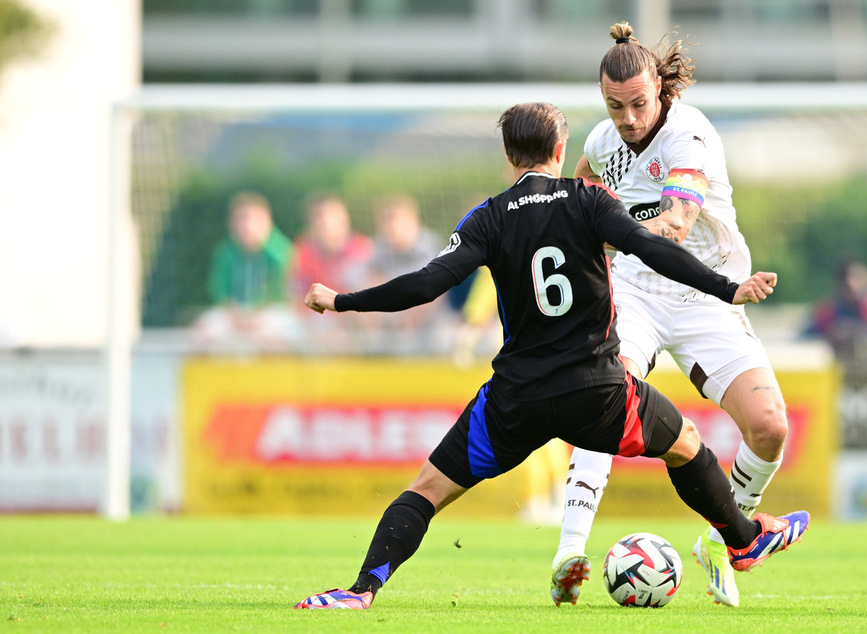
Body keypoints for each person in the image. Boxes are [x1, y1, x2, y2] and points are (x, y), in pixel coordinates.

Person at [293, 102, 808, 611]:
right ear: (561, 150)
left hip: (516, 399)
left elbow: (427, 284)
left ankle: (360, 591)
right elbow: (656, 251)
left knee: (427, 490)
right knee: (687, 445)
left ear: (507, 153)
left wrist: (342, 300)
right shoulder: (589, 200)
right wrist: (727, 287)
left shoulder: (488, 217)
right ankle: (742, 539)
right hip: (598, 394)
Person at [553, 22, 793, 608]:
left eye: (638, 103)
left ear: (660, 88)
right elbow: (578, 195)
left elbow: (677, 227)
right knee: (608, 398)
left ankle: (724, 536)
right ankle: (569, 551)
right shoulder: (601, 144)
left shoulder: (689, 136)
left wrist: (608, 236)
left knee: (770, 427)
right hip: (633, 291)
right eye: (615, 107)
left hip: (705, 293)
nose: (629, 118)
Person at [193, 191, 296, 346]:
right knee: (203, 332)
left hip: (271, 312)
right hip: (233, 312)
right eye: (240, 220)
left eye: (252, 219)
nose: (246, 226)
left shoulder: (282, 252)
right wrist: (235, 315)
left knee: (278, 337)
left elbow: (285, 291)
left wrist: (255, 317)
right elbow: (218, 289)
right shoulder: (225, 252)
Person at [362, 194, 451, 353]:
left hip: (430, 325)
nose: (391, 230)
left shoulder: (431, 248)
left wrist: (406, 327)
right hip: (388, 323)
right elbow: (368, 285)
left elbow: (432, 293)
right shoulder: (378, 250)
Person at [287, 194, 373, 347]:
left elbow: (364, 295)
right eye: (318, 219)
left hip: (351, 318)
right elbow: (297, 295)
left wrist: (339, 325)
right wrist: (314, 328)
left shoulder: (361, 249)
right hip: (315, 319)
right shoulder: (302, 250)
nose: (324, 223)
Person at [804, 258, 867, 367]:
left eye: (858, 277)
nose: (852, 283)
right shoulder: (829, 309)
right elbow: (807, 336)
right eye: (848, 277)